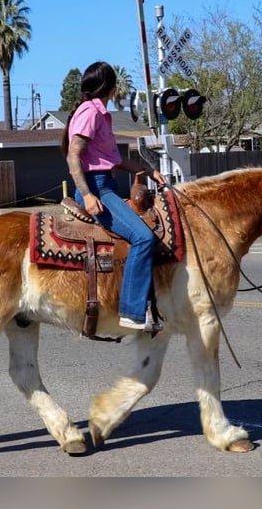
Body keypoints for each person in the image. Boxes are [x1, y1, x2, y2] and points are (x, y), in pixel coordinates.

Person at [61, 61, 167, 332]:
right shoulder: (90, 113)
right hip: (97, 188)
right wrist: (86, 195)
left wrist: (150, 170)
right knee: (143, 237)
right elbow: (74, 155)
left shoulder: (101, 114)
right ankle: (132, 311)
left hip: (106, 183)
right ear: (110, 87)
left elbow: (115, 161)